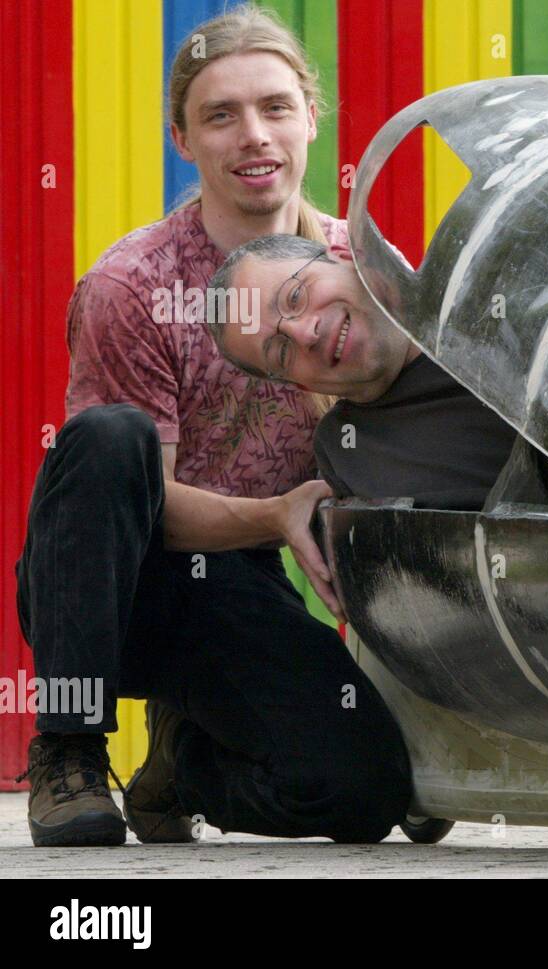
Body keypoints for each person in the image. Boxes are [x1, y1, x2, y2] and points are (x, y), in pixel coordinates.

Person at [14, 6, 410, 848]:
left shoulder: (361, 272)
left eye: (274, 106)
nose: (253, 135)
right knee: (109, 436)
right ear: (182, 140)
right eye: (220, 115)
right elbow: (139, 499)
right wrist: (275, 515)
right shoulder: (132, 283)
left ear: (312, 113)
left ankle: (187, 763)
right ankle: (70, 750)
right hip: (106, 581)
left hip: (233, 582)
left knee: (361, 787)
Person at [206, 234, 548, 516]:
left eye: (296, 296)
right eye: (281, 351)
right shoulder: (350, 455)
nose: (303, 332)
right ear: (300, 385)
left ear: (349, 255)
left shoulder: (492, 284)